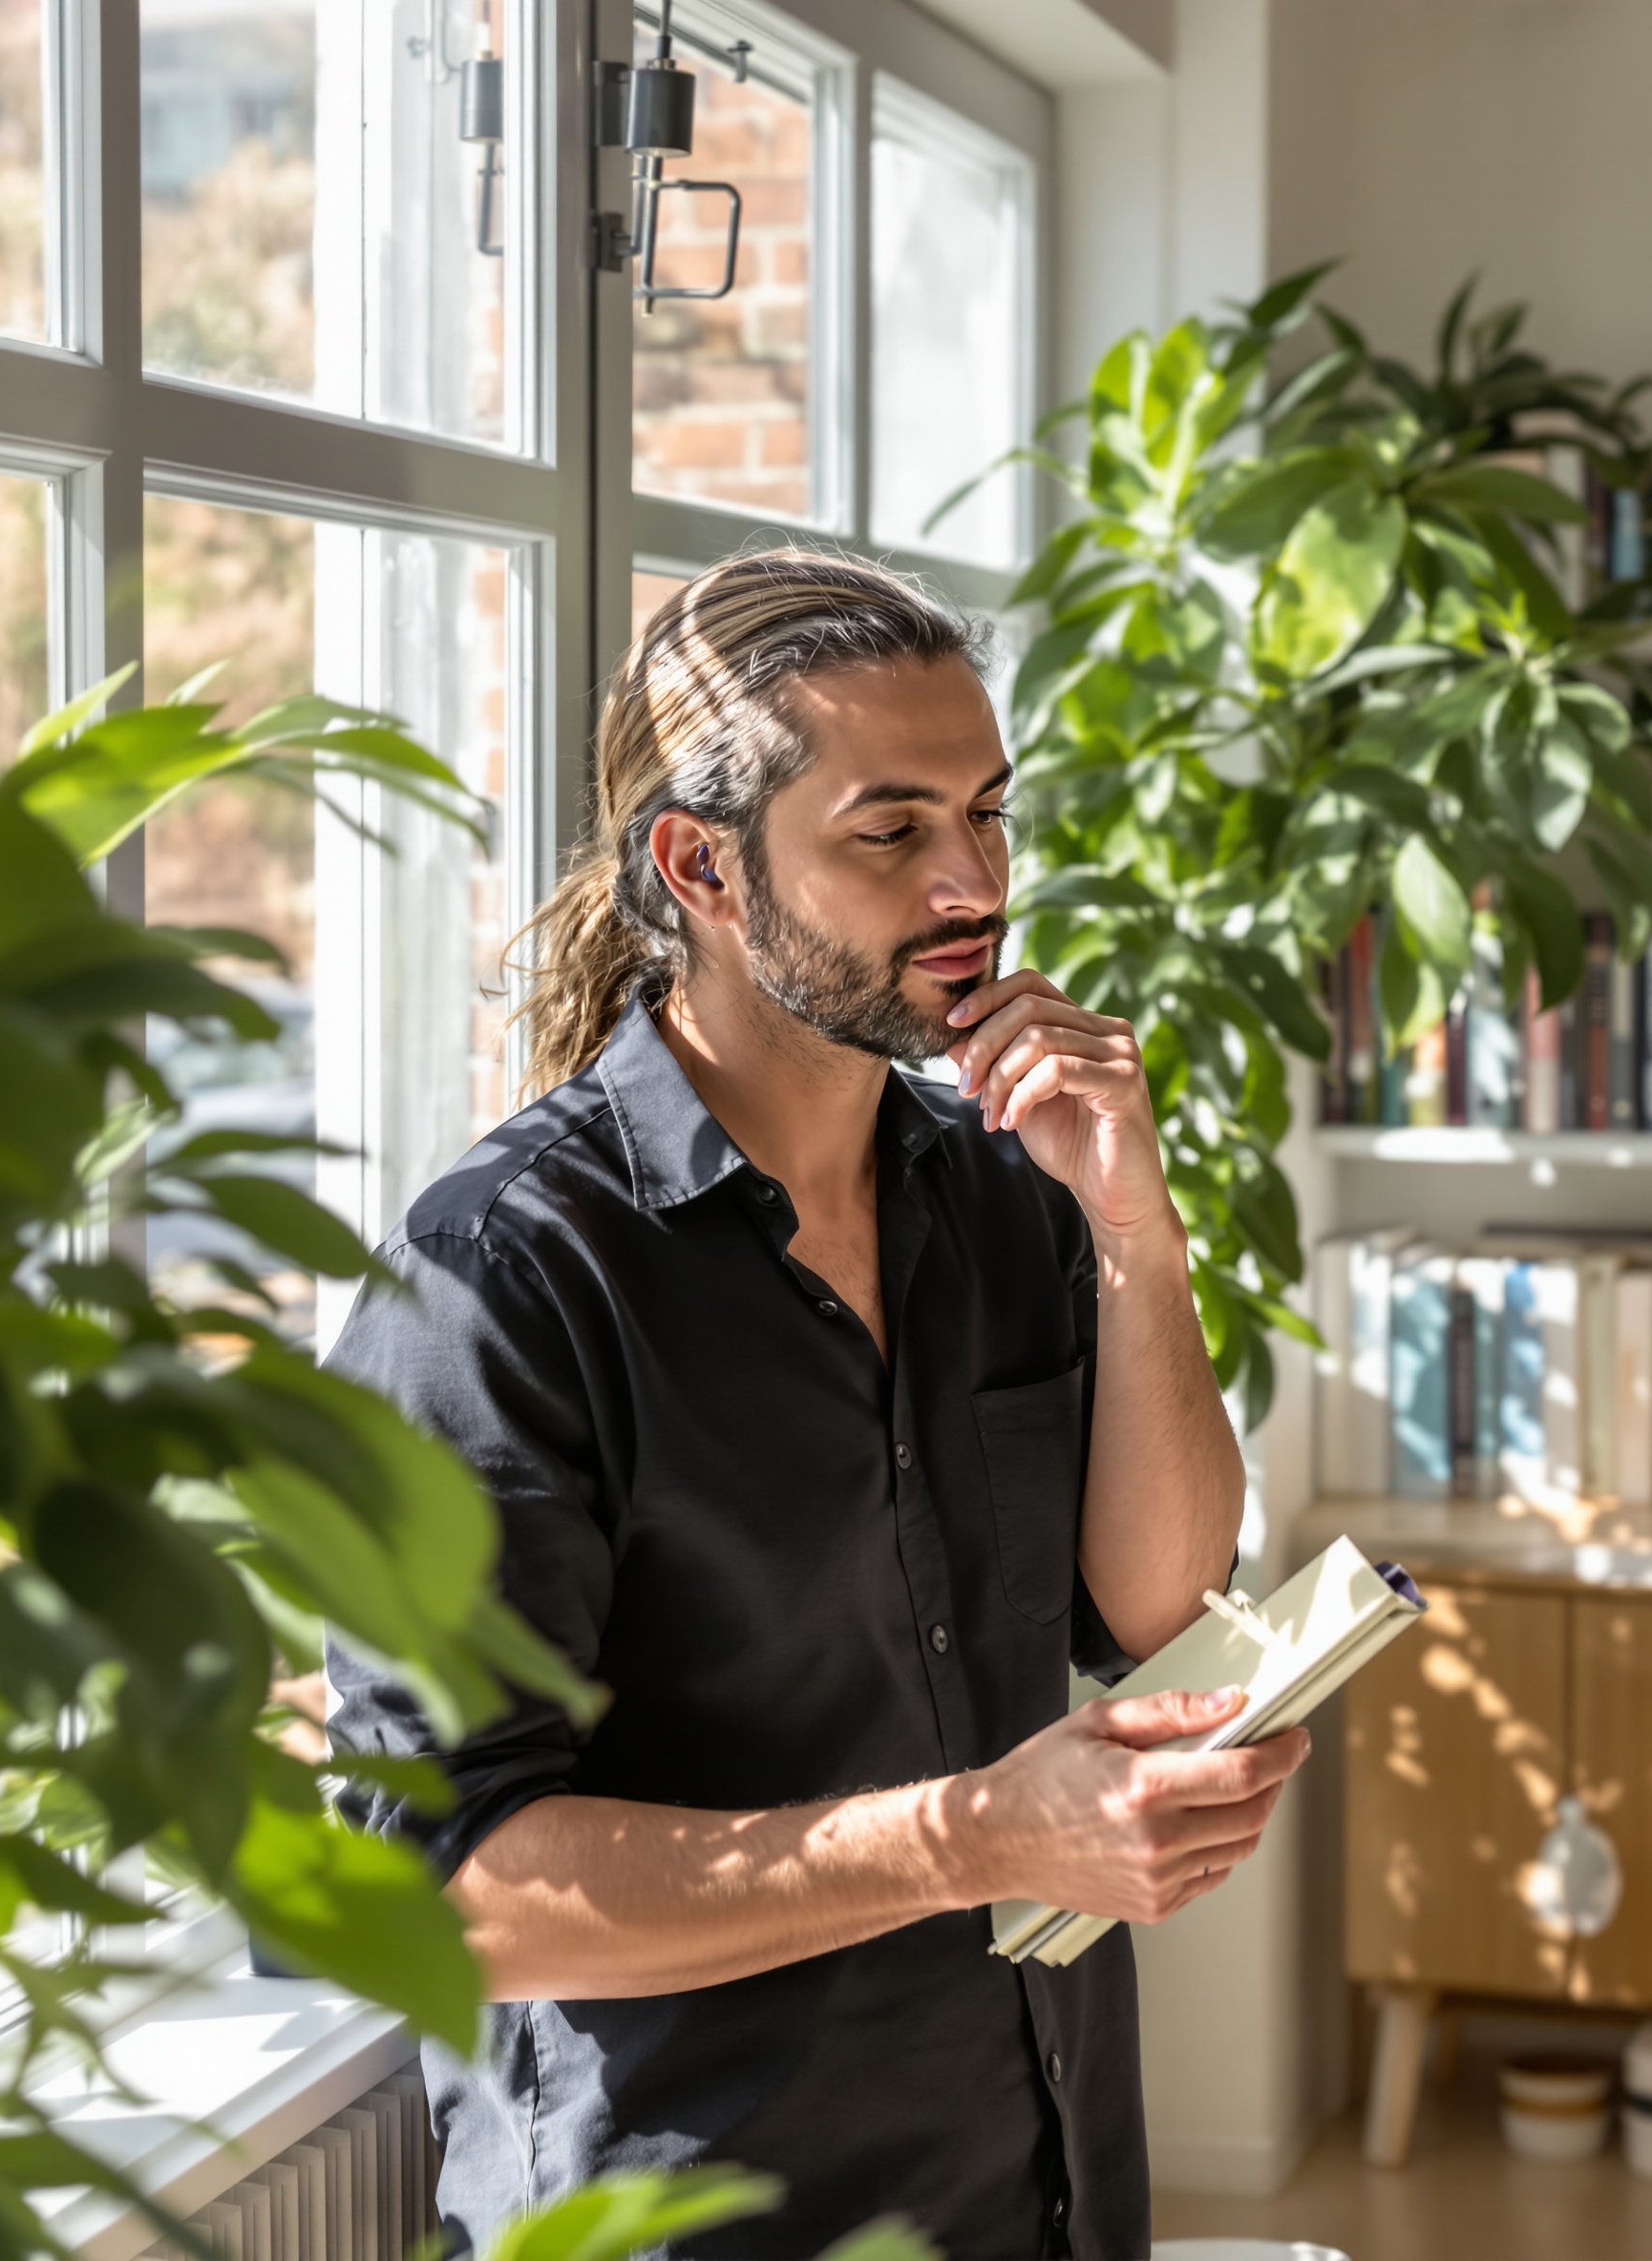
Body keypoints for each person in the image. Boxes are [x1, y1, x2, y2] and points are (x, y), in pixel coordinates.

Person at [327, 550, 1309, 2261]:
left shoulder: (1005, 1192)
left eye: (987, 813)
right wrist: (973, 1836)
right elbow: (453, 1888)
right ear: (700, 866)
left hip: (1041, 2189)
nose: (973, 882)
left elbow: (1157, 1607)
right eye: (891, 829)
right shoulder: (498, 1280)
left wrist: (1135, 1233)